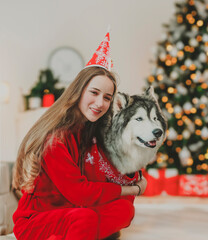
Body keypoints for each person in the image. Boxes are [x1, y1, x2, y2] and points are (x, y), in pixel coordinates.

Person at [12, 31, 147, 240]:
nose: (100, 103)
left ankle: (80, 233)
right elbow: (80, 192)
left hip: (74, 208)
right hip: (38, 219)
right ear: (79, 92)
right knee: (86, 218)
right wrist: (133, 190)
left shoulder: (91, 131)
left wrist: (134, 177)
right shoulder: (54, 139)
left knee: (124, 210)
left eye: (107, 97)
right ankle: (81, 231)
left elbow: (111, 169)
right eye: (94, 93)